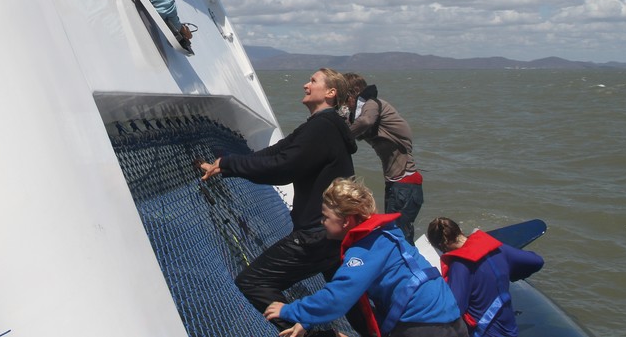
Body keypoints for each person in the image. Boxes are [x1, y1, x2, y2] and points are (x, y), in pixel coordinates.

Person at [199, 68, 358, 333]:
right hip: (334, 234)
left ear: (331, 93)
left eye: (313, 81)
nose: (305, 85)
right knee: (351, 305)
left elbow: (283, 167)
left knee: (254, 281)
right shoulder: (322, 125)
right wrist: (225, 164)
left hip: (318, 233)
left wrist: (230, 164)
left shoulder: (323, 127)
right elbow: (278, 151)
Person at [264, 178, 464, 337]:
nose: (322, 221)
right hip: (452, 319)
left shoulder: (364, 250)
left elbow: (337, 299)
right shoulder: (385, 233)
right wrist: (308, 320)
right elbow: (349, 291)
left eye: (326, 216)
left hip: (425, 326)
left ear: (346, 221)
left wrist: (288, 311)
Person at [426, 217, 544, 337]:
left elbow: (455, 309)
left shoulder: (460, 266)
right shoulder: (498, 248)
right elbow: (536, 261)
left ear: (441, 247)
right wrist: (510, 272)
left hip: (484, 333)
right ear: (460, 230)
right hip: (510, 329)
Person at [343, 73, 423, 244]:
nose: (343, 103)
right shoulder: (364, 109)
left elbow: (365, 122)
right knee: (397, 234)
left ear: (354, 94)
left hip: (404, 184)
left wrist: (343, 134)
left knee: (398, 236)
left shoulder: (372, 104)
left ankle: (408, 269)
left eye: (344, 97)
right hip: (398, 184)